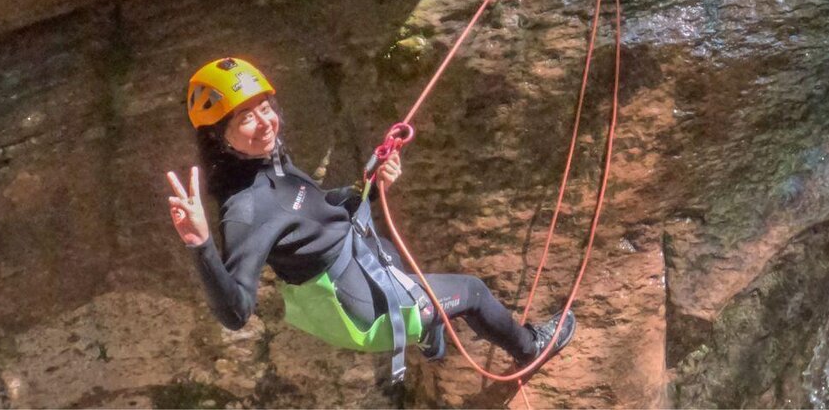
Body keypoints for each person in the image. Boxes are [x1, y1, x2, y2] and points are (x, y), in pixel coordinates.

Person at [165, 57, 576, 381]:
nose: (266, 123)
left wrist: (371, 185)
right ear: (220, 137)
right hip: (366, 312)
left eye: (265, 107)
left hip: (360, 265)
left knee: (395, 255)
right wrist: (200, 245)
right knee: (471, 292)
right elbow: (236, 313)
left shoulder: (267, 161)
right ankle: (529, 349)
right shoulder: (245, 210)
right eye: (246, 118)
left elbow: (311, 210)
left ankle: (430, 331)